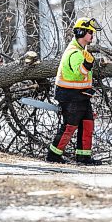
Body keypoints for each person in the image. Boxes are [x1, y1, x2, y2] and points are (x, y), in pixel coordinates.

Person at [46, 17, 103, 165]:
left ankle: (84, 157)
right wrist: (88, 64)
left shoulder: (81, 50)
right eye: (90, 32)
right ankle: (53, 155)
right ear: (81, 32)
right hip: (70, 96)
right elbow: (80, 72)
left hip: (81, 95)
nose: (92, 35)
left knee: (87, 124)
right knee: (70, 126)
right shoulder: (74, 53)